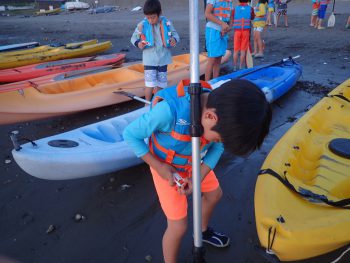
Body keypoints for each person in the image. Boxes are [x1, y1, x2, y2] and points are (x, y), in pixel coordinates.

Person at [123, 79, 272, 263]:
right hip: (167, 169)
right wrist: (159, 167)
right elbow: (130, 134)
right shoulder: (168, 112)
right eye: (217, 139)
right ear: (210, 117)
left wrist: (197, 178)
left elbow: (217, 149)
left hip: (195, 163)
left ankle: (201, 232)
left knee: (214, 194)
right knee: (178, 226)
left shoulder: (221, 120)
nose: (217, 142)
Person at [130, 0, 179, 102]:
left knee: (161, 83)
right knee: (150, 83)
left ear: (159, 13)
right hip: (149, 59)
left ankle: (156, 101)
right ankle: (147, 103)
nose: (151, 20)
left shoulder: (167, 23)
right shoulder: (142, 25)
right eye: (148, 18)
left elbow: (175, 34)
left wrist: (174, 39)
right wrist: (139, 43)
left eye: (153, 17)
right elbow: (133, 38)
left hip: (163, 58)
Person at [204, 0, 233, 81]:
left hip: (223, 31)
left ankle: (215, 81)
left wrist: (228, 27)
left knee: (218, 58)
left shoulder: (229, 1)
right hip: (213, 30)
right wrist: (222, 24)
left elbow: (230, 17)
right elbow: (207, 14)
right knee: (212, 58)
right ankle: (207, 84)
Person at [231, 0, 255, 70]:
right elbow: (252, 17)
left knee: (235, 50)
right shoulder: (251, 9)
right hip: (246, 31)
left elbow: (232, 18)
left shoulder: (234, 9)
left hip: (237, 31)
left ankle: (235, 67)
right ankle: (241, 67)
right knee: (243, 51)